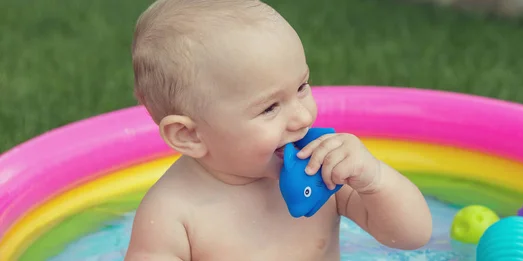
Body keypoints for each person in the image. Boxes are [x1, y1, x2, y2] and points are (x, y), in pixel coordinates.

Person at [124, 0, 432, 260]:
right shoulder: (171, 215)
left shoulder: (324, 169)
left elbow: (411, 237)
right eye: (270, 108)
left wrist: (374, 180)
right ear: (189, 135)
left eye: (301, 87)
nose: (301, 118)